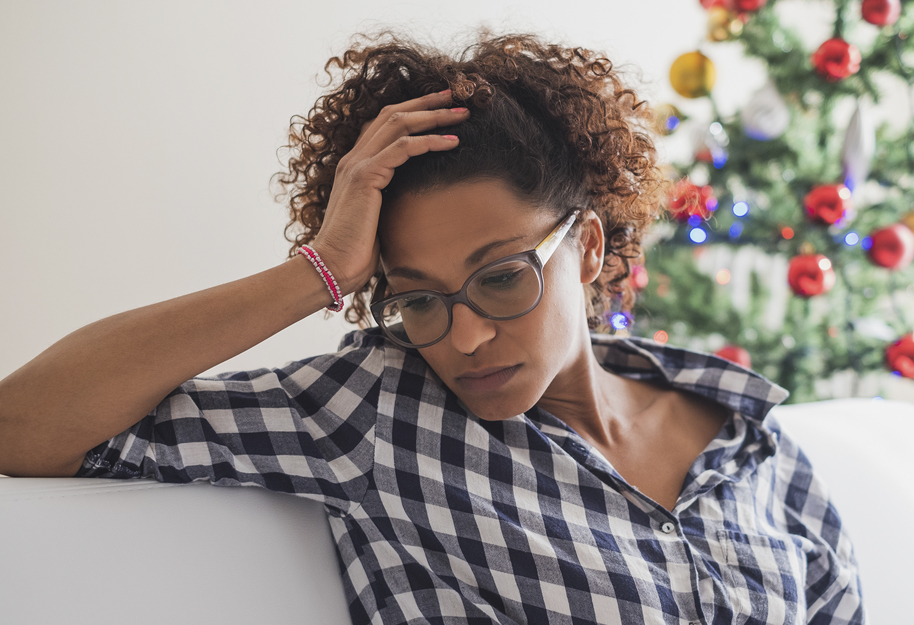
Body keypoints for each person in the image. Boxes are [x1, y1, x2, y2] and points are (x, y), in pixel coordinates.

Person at [0, 29, 865, 625]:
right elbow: (22, 423)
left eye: (501, 277)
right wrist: (318, 271)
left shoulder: (752, 441)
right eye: (419, 299)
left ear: (590, 247)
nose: (465, 338)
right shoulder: (373, 412)